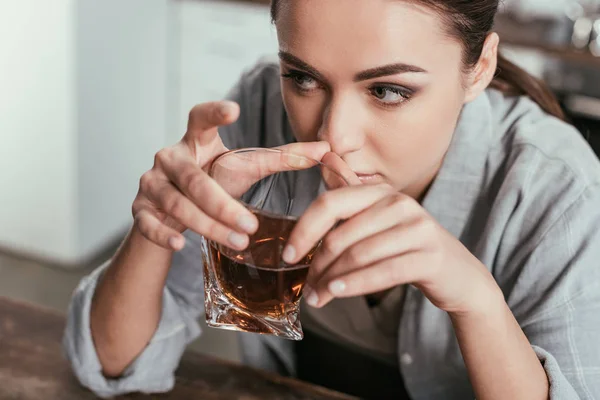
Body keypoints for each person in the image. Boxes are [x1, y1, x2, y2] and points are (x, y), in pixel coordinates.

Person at [63, 0, 600, 399]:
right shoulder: (260, 112)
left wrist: (477, 304)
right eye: (303, 78)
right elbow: (111, 364)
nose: (334, 135)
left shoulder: (558, 190)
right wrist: (155, 229)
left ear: (479, 67)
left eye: (388, 90)